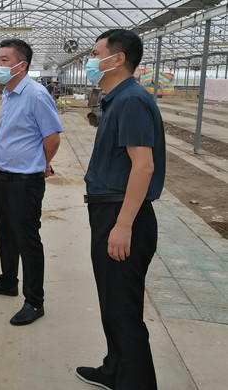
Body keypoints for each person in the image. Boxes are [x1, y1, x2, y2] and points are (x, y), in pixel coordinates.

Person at [76, 29, 165, 390]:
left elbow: (144, 166)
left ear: (118, 59)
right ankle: (115, 370)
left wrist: (123, 224)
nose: (90, 61)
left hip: (122, 214)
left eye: (96, 54)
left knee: (124, 312)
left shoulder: (131, 101)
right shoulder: (118, 99)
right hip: (109, 210)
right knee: (113, 304)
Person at [0, 38, 62, 326]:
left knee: (27, 239)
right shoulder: (8, 93)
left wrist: (43, 164)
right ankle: (8, 281)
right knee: (5, 233)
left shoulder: (36, 94)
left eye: (4, 60)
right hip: (3, 176)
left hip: (25, 181)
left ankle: (34, 302)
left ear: (21, 65)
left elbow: (52, 137)